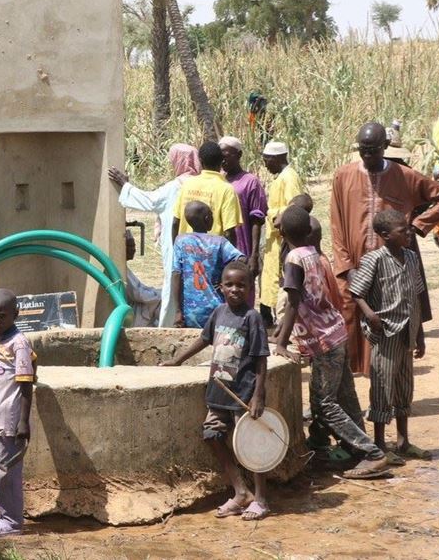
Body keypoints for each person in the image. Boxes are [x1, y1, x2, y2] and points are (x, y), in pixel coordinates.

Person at [273, 207, 390, 478]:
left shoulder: (293, 258)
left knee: (323, 404)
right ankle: (353, 451)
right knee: (346, 396)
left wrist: (280, 343)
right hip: (336, 332)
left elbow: (292, 302)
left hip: (322, 341)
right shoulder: (314, 252)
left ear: (283, 233)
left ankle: (371, 452)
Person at [330, 122, 439, 375]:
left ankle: (387, 393)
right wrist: (346, 266)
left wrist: (417, 225)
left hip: (391, 266)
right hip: (354, 264)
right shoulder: (343, 176)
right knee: (349, 318)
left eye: (373, 150)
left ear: (385, 147)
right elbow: (336, 224)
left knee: (391, 321)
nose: (367, 155)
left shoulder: (404, 175)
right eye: (363, 150)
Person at [162, 261, 270, 521]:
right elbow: (204, 339)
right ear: (220, 287)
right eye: (230, 284)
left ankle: (262, 499)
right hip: (219, 391)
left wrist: (258, 395)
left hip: (243, 394)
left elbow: (261, 359)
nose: (235, 289)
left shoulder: (251, 318)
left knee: (251, 444)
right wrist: (177, 360)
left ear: (250, 288)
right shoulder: (219, 312)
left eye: (241, 285)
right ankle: (240, 491)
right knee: (212, 435)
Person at [348, 210, 429, 463]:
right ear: (385, 235)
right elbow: (357, 292)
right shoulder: (374, 260)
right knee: (382, 386)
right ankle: (380, 445)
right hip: (385, 332)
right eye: (402, 230)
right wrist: (371, 315)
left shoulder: (412, 258)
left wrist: (420, 334)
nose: (408, 233)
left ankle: (403, 441)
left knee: (405, 385)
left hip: (408, 331)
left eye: (408, 229)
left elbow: (416, 296)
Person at [108, 144, 200, 327]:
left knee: (173, 288)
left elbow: (149, 201)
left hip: (177, 247)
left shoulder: (175, 187)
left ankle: (169, 326)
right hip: (201, 247)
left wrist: (125, 185)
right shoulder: (202, 185)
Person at [0, 288, 35, 538]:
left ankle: (13, 521)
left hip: (9, 421)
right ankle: (5, 513)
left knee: (8, 472)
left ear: (15, 313)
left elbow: (25, 384)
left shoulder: (18, 343)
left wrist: (23, 421)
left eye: (1, 316)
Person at [171, 201, 246, 329]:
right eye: (211, 215)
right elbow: (241, 259)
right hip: (217, 307)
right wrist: (225, 278)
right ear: (207, 218)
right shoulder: (218, 242)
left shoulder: (181, 241)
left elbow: (176, 274)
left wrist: (177, 310)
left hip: (190, 310)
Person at [259, 140, 304, 326]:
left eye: (267, 160)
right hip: (274, 239)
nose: (265, 164)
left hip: (283, 239)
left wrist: (274, 216)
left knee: (283, 282)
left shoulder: (289, 178)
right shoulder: (280, 178)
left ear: (277, 158)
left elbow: (294, 207)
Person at [172, 141, 242, 246]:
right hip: (213, 257)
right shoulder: (227, 190)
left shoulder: (187, 185)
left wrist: (177, 252)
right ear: (221, 161)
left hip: (187, 253)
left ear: (200, 161)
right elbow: (229, 232)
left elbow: (175, 222)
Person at [220, 136, 268, 283]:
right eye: (220, 157)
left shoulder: (250, 181)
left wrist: (254, 255)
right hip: (221, 246)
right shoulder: (219, 180)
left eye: (226, 156)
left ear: (239, 155)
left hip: (242, 246)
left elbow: (257, 220)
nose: (223, 160)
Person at [125, 229, 162, 327]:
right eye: (130, 246)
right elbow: (138, 294)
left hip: (136, 305)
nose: (133, 250)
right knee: (162, 302)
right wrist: (157, 296)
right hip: (132, 311)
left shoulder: (125, 268)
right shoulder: (120, 270)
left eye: (134, 246)